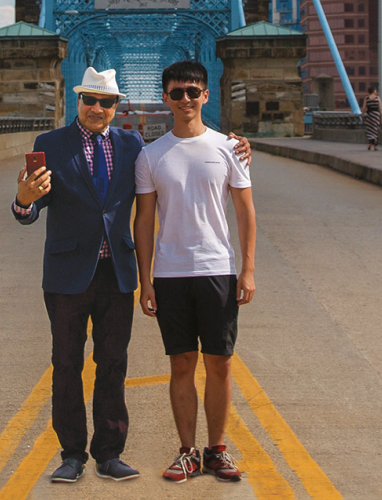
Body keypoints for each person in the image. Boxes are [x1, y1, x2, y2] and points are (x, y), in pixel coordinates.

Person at [12, 65, 251, 484]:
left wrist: (239, 145)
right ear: (78, 100)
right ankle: (71, 454)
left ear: (115, 106)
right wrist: (23, 199)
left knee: (113, 364)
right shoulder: (50, 144)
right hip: (68, 275)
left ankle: (109, 453)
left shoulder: (132, 146)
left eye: (106, 102)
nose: (97, 108)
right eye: (89, 99)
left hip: (116, 275)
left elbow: (162, 189)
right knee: (66, 364)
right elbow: (30, 209)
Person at [134, 61, 256, 484]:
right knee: (181, 364)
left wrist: (248, 269)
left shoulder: (230, 148)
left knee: (219, 364)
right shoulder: (150, 155)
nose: (185, 98)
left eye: (192, 91)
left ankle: (217, 449)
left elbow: (245, 211)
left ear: (206, 96)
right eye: (176, 92)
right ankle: (187, 452)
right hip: (170, 274)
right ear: (165, 98)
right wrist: (145, 280)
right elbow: (143, 221)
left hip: (217, 270)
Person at [362, 84, 382, 151]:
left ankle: (370, 142)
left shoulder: (367, 98)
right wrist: (381, 117)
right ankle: (375, 146)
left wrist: (362, 116)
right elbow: (380, 108)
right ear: (373, 91)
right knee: (376, 130)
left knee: (370, 130)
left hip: (369, 115)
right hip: (376, 115)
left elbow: (364, 108)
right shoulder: (377, 98)